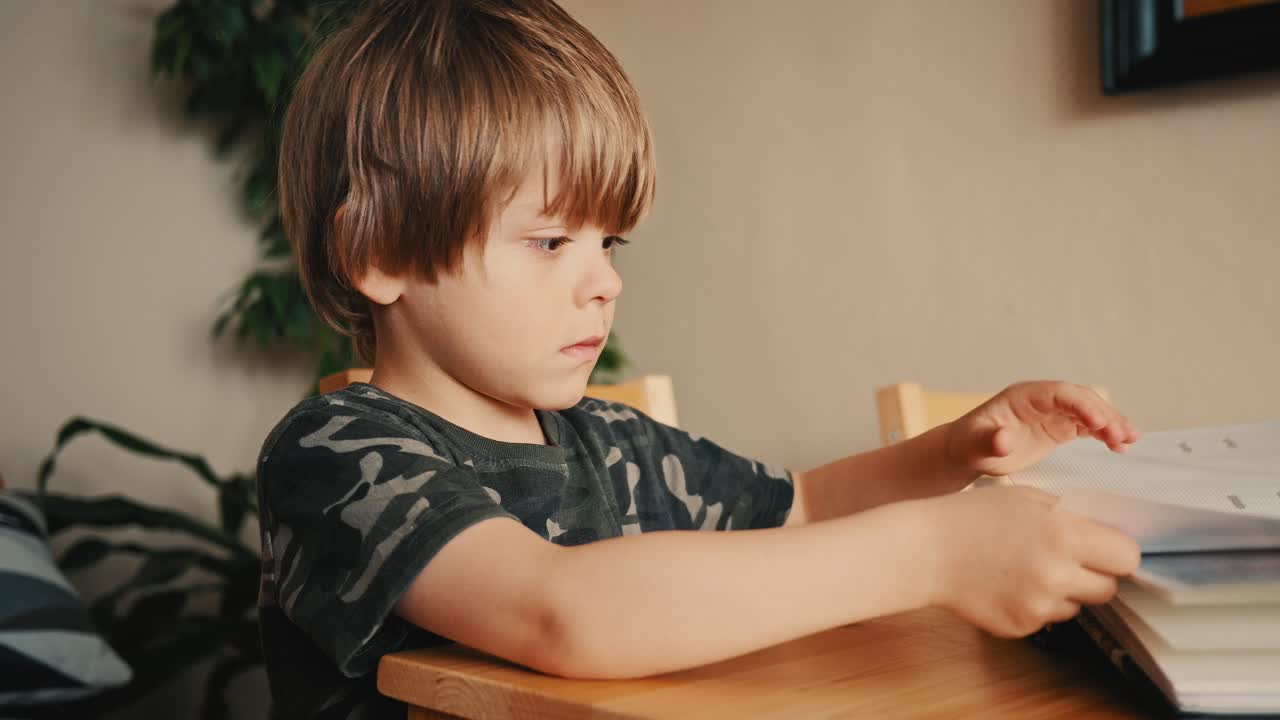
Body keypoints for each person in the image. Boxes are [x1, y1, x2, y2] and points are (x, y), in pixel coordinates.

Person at [257, 1, 1143, 717]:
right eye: (551, 239)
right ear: (378, 252)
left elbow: (804, 508)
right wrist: (932, 558)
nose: (603, 282)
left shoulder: (611, 443)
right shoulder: (337, 458)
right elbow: (559, 611)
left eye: (611, 243)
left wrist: (948, 456)